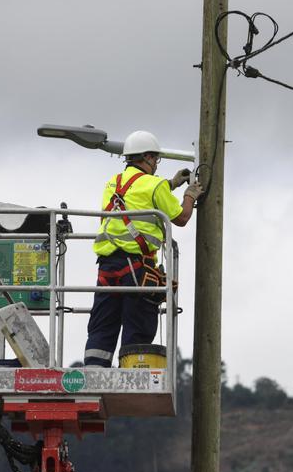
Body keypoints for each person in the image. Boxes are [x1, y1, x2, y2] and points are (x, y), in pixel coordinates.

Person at [83, 130, 203, 367]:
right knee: (138, 325)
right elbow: (181, 218)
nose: (156, 164)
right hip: (136, 268)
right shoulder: (155, 184)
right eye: (156, 159)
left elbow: (137, 193)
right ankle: (132, 374)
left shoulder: (112, 183)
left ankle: (94, 374)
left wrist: (171, 183)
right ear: (147, 157)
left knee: (103, 324)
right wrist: (189, 194)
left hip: (107, 268)